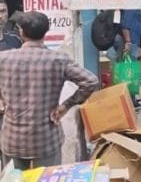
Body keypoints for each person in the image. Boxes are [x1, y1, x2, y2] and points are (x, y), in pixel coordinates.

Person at [0, 11, 99, 169]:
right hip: (46, 138)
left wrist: (3, 99)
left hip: (13, 139)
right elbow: (90, 81)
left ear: (21, 32)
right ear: (46, 31)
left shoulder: (3, 59)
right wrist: (66, 106)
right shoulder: (59, 60)